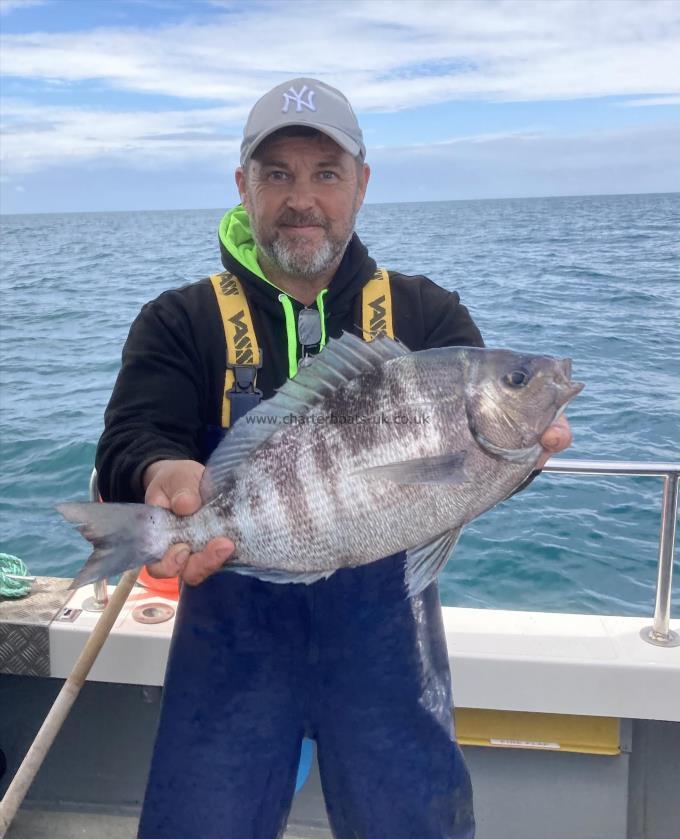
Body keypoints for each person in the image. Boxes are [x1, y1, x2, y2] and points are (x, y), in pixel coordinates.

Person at [96, 78, 572, 839]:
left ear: (362, 183)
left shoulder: (429, 315)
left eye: (326, 172)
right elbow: (130, 437)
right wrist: (160, 471)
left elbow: (472, 469)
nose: (302, 197)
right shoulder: (179, 320)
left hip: (386, 653)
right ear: (243, 185)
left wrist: (517, 463)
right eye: (277, 172)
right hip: (232, 640)